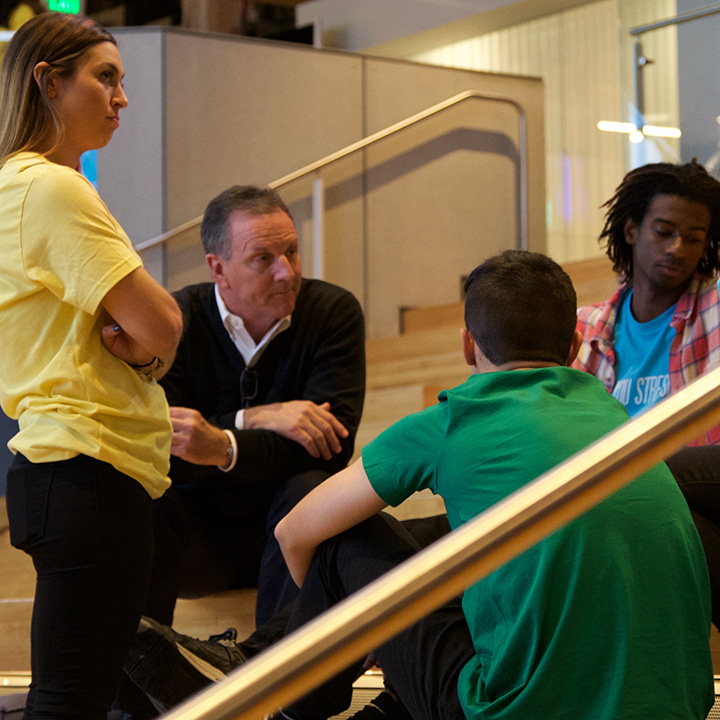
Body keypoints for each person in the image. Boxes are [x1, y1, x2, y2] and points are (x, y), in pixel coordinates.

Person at [124, 251, 713, 720]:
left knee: (345, 538)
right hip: (675, 705)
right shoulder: (622, 424)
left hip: (514, 711)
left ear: (466, 344)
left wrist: (359, 620)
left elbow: (294, 531)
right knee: (465, 553)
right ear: (574, 349)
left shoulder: (456, 420)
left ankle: (280, 703)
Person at [0, 12, 183, 720]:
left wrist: (146, 342)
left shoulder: (17, 188)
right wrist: (153, 342)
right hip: (86, 470)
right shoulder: (51, 189)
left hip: (66, 474)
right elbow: (163, 323)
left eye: (123, 80)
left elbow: (143, 333)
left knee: (77, 700)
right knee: (71, 707)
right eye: (106, 77)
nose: (122, 98)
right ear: (48, 81)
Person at [143, 185, 366, 631]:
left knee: (311, 486)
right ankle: (138, 686)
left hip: (290, 532)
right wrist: (255, 419)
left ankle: (276, 678)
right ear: (218, 269)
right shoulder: (176, 320)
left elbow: (330, 448)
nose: (287, 272)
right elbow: (165, 448)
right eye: (263, 259)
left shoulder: (332, 312)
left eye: (292, 252)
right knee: (145, 499)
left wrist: (220, 445)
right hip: (200, 540)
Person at [572, 161, 720, 626]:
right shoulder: (585, 328)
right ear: (632, 230)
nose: (678, 248)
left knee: (621, 476)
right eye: (664, 231)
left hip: (695, 476)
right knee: (675, 529)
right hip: (654, 514)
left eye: (694, 237)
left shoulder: (714, 308)